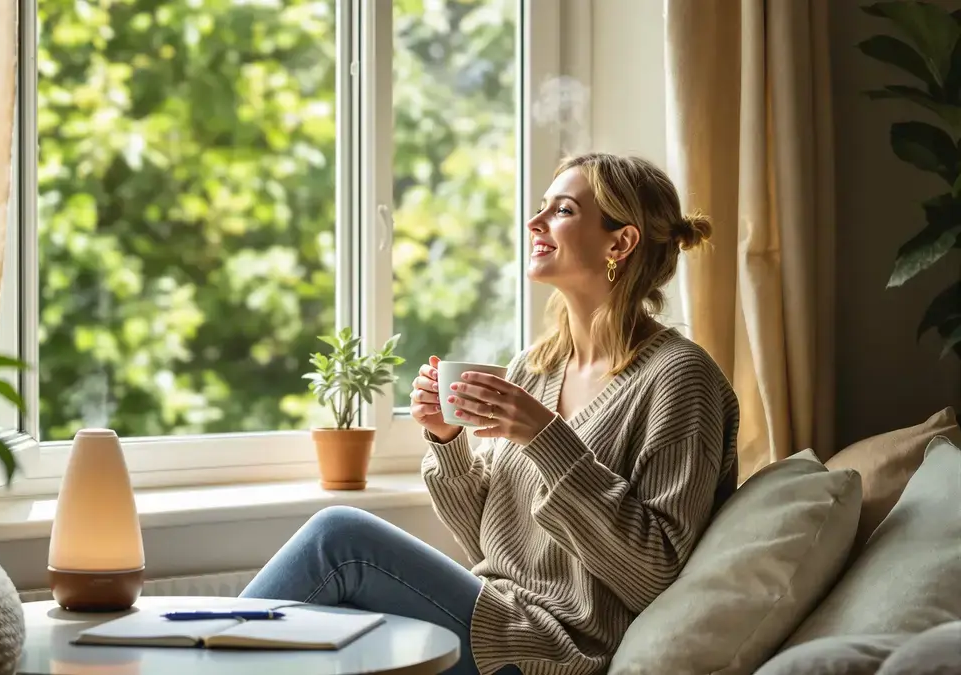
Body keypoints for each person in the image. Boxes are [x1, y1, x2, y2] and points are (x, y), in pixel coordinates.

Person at [240, 153, 740, 675]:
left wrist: (548, 439)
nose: (534, 222)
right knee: (325, 633)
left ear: (620, 243)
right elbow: (490, 542)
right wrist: (448, 440)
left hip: (557, 648)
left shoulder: (681, 378)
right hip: (498, 611)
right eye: (542, 207)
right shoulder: (536, 366)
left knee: (339, 540)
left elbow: (655, 573)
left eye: (563, 210)